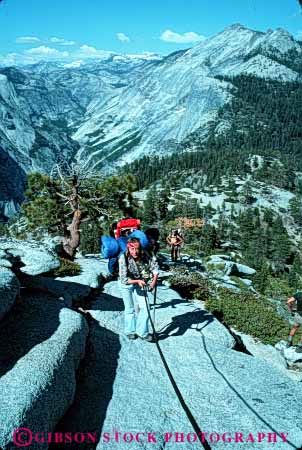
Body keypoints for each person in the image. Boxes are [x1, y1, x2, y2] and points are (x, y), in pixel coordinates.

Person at [119, 237, 159, 342]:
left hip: (139, 281)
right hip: (127, 284)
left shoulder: (146, 255)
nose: (135, 252)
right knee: (129, 308)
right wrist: (137, 281)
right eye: (132, 249)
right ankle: (130, 331)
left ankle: (142, 332)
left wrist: (154, 282)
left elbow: (154, 268)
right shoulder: (123, 258)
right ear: (128, 248)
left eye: (137, 249)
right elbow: (123, 279)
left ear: (140, 247)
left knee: (145, 307)